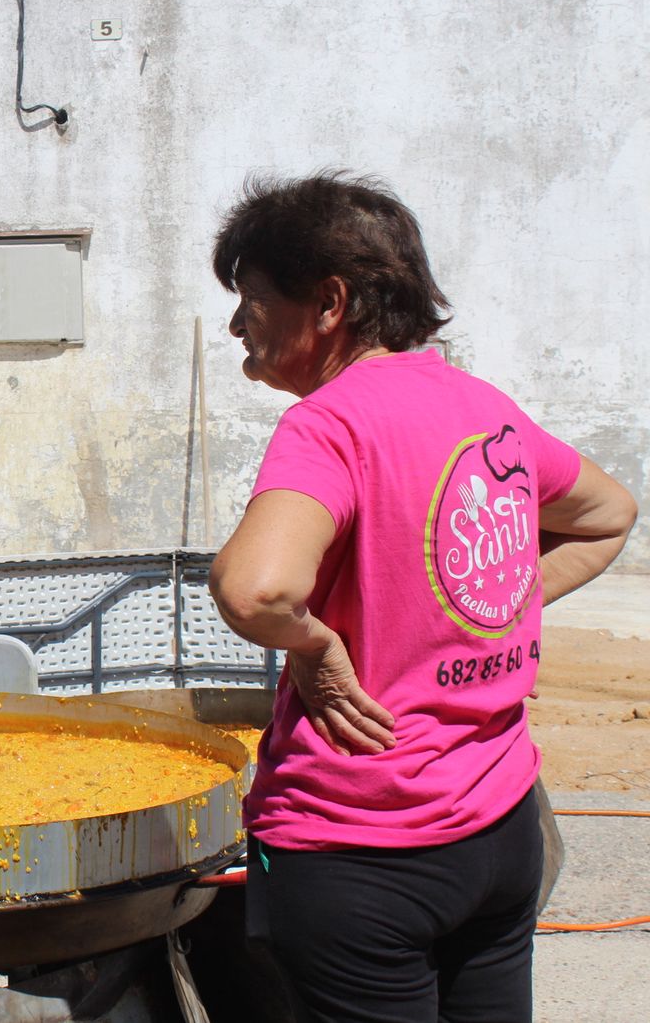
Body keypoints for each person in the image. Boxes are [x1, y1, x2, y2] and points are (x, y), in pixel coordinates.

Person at [206, 171, 636, 1023]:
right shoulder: (484, 409)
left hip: (360, 850)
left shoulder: (329, 423)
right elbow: (609, 514)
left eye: (251, 297)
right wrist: (501, 599)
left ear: (328, 303)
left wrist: (316, 646)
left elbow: (255, 589)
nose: (235, 323)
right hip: (504, 829)